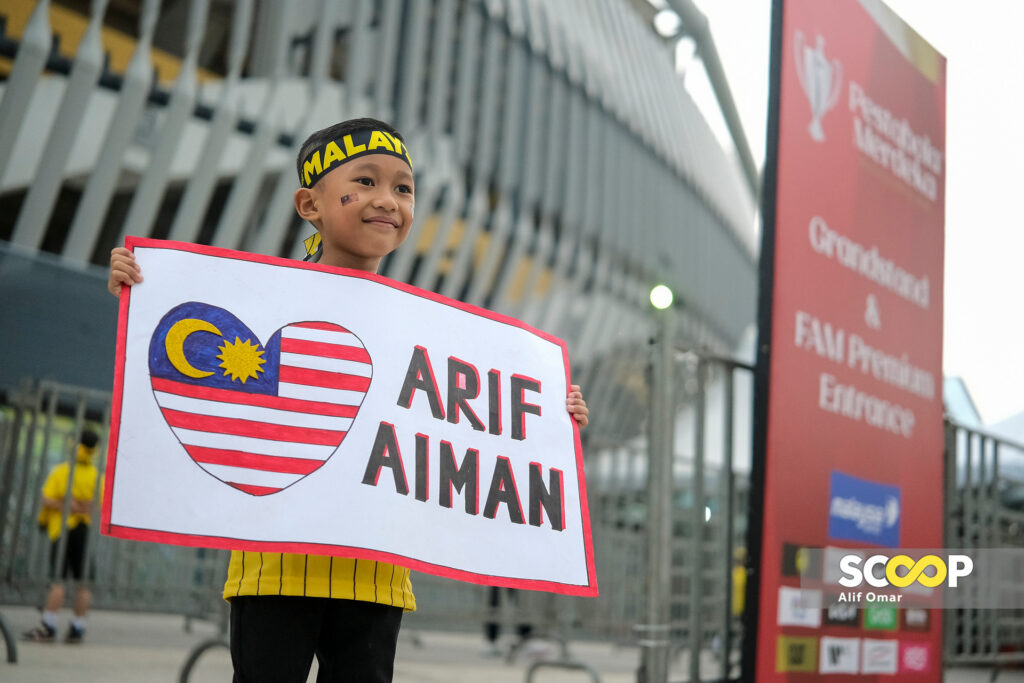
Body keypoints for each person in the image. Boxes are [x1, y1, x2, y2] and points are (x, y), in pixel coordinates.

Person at [108, 117, 590, 682]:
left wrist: (553, 421)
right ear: (308, 204)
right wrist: (141, 292)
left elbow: (477, 422)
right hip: (273, 568)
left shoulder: (432, 330)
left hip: (376, 578)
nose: (387, 200)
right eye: (364, 181)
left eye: (403, 188)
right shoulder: (255, 302)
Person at [22, 428, 103, 644]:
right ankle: (77, 629)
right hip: (83, 531)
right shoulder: (96, 476)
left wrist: (66, 505)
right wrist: (81, 507)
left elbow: (47, 499)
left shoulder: (62, 471)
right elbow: (98, 505)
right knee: (83, 583)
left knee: (57, 580)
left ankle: (48, 626)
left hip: (62, 529)